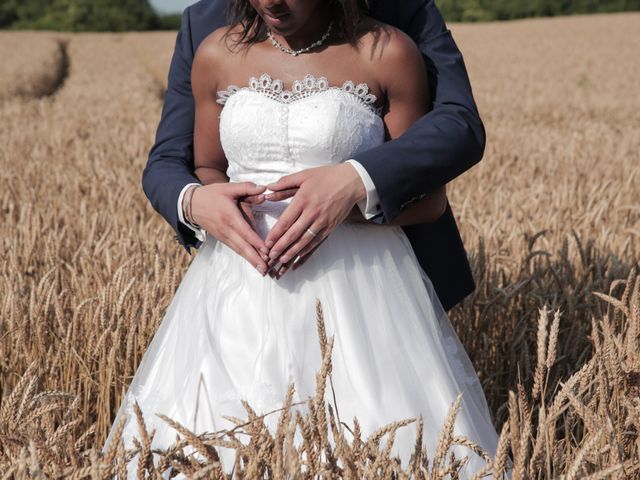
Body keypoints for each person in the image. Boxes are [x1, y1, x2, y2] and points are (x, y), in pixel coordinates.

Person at [102, 0, 502, 477]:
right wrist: (198, 200)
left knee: (377, 442)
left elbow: (457, 127)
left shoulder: (393, 37)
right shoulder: (209, 35)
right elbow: (180, 158)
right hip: (239, 284)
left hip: (361, 288)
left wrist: (356, 184)